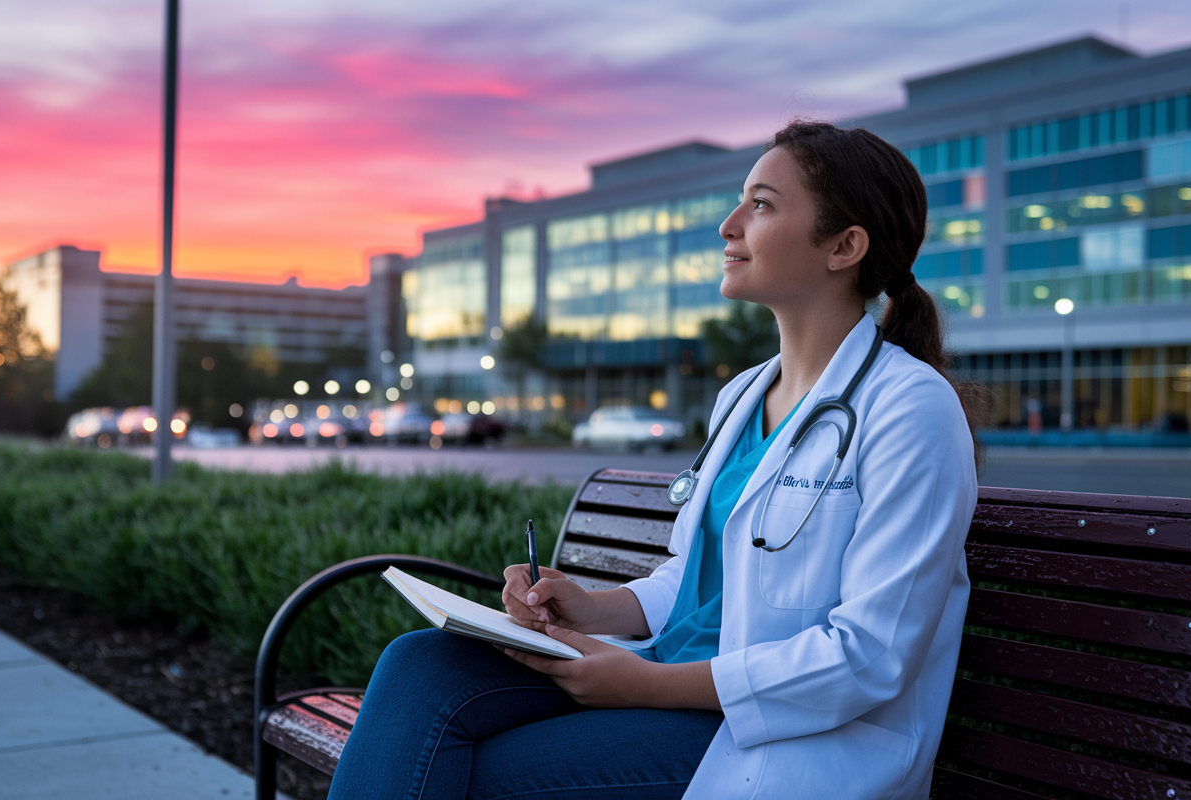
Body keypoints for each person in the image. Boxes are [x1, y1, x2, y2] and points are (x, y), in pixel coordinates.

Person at [327, 120, 980, 800]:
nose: (729, 226)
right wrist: (591, 609)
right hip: (667, 682)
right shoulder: (743, 396)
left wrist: (647, 684)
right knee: (421, 664)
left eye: (761, 204)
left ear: (844, 246)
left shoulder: (910, 409)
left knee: (466, 771)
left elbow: (867, 658)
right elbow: (697, 581)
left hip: (775, 736)